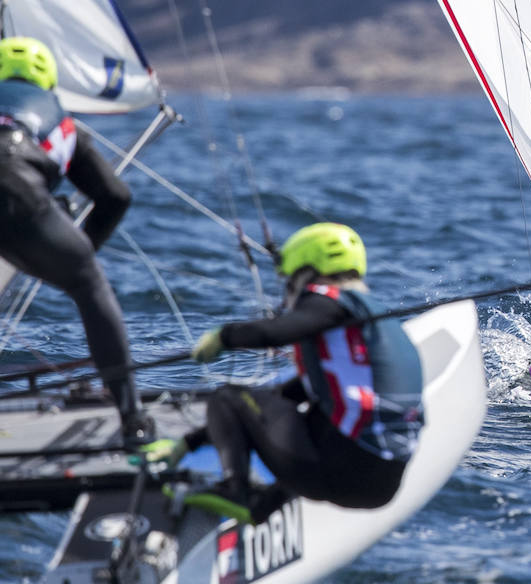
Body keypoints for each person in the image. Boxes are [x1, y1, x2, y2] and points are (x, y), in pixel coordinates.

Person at [145, 222, 425, 523]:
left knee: (227, 397)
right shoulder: (371, 318)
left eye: (289, 280)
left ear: (305, 272)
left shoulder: (325, 301)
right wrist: (189, 443)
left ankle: (237, 492)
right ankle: (265, 504)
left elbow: (277, 332)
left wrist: (223, 337)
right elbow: (280, 398)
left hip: (340, 474)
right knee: (304, 414)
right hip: (383, 486)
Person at [0, 37, 150, 445]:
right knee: (91, 287)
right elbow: (116, 196)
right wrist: (81, 258)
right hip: (24, 198)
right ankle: (132, 417)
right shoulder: (62, 122)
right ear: (49, 81)